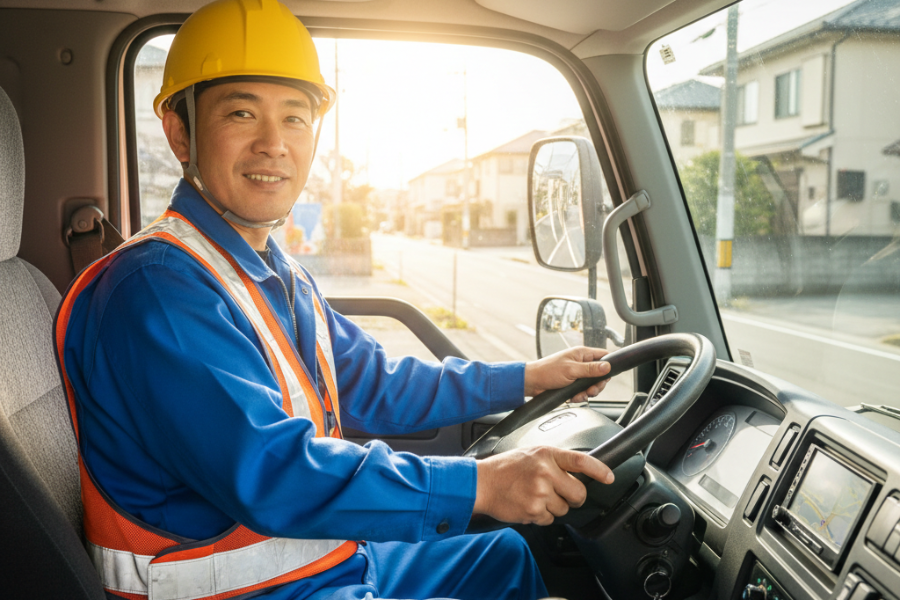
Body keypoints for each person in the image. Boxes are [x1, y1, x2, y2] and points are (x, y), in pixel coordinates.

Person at [55, 1, 615, 599]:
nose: (274, 144)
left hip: (319, 560)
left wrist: (528, 376)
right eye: (242, 113)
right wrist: (479, 485)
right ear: (180, 133)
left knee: (501, 555)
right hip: (246, 590)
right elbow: (273, 473)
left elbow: (377, 383)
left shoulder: (273, 273)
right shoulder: (157, 289)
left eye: (295, 118)